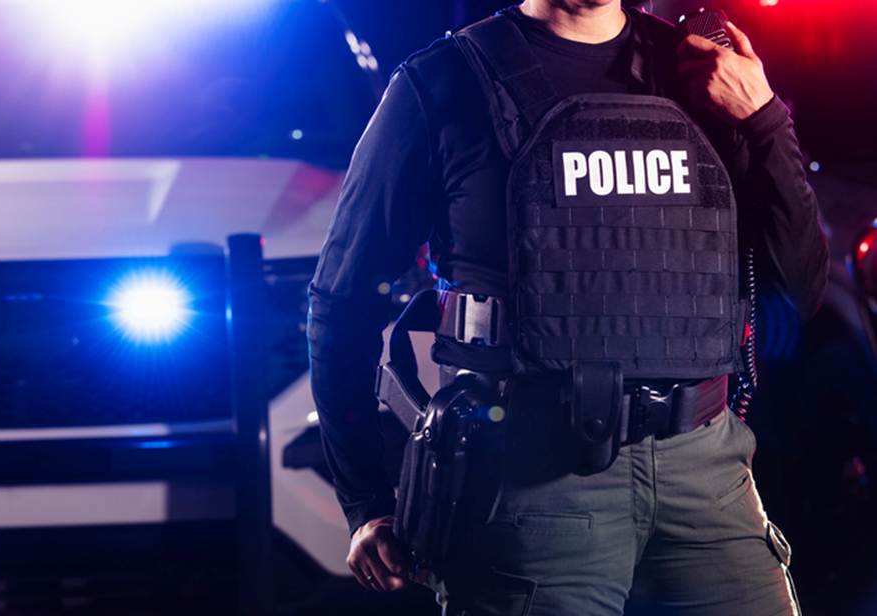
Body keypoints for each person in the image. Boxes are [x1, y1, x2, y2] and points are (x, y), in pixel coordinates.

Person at [307, 0, 828, 613]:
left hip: (706, 472)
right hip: (530, 486)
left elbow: (799, 288)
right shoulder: (444, 82)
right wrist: (365, 501)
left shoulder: (701, 71)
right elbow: (340, 303)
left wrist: (765, 120)